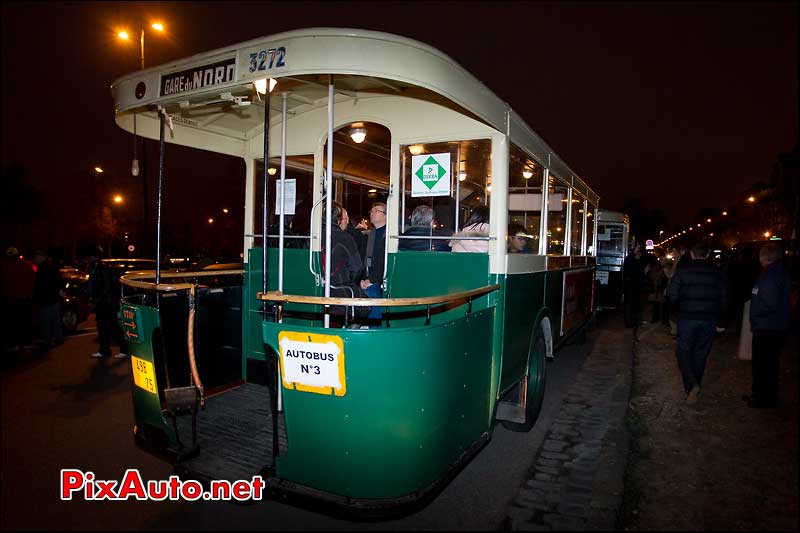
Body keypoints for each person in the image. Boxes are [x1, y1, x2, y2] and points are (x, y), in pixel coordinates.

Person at [667, 242, 728, 404]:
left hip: (687, 318)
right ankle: (695, 384)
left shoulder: (683, 270)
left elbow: (672, 294)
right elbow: (724, 298)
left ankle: (691, 385)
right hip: (709, 319)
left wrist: (676, 310)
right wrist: (722, 320)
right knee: (701, 353)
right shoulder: (717, 272)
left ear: (692, 254)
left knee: (683, 352)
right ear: (708, 254)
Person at [743, 243, 791, 409]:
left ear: (765, 257)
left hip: (767, 327)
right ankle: (762, 395)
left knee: (764, 364)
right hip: (773, 326)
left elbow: (769, 303)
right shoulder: (777, 272)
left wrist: (755, 316)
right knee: (768, 364)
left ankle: (762, 398)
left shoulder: (771, 275)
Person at [323, 202, 369, 323]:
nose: (347, 221)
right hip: (340, 290)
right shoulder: (345, 238)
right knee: (366, 306)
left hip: (316, 290)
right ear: (338, 219)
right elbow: (357, 268)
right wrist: (350, 283)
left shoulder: (313, 236)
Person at [88, 254, 125, 358]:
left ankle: (122, 349)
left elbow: (106, 287)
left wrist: (96, 300)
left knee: (110, 327)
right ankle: (105, 350)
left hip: (106, 303)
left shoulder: (101, 270)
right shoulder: (96, 269)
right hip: (104, 303)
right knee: (104, 327)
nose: (89, 259)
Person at [1, 246, 35, 353]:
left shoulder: (3, 266)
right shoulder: (27, 266)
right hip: (25, 299)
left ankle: (12, 344)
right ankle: (25, 343)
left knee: (11, 322)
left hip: (10, 299)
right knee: (24, 321)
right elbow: (33, 282)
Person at [31, 250, 64, 350]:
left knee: (46, 321)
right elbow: (59, 281)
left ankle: (47, 340)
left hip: (46, 298)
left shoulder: (42, 269)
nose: (34, 259)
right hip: (53, 298)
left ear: (41, 257)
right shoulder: (51, 267)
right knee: (55, 320)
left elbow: (40, 285)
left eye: (36, 257)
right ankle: (58, 338)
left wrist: (37, 297)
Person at [360, 202, 387, 298]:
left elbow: (383, 261)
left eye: (376, 211)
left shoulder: (390, 235)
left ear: (386, 216)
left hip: (382, 281)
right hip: (370, 279)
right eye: (371, 211)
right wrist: (364, 279)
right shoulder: (371, 235)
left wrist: (371, 280)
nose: (372, 213)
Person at [623, 243, 647, 328]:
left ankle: (634, 321)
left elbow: (641, 274)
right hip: (630, 286)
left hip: (637, 286)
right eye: (638, 253)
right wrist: (634, 251)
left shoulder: (639, 262)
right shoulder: (630, 260)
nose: (639, 255)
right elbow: (629, 269)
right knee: (629, 304)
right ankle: (629, 322)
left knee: (636, 305)